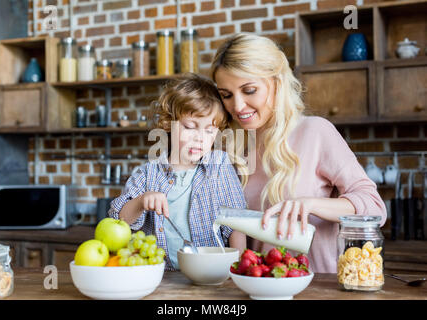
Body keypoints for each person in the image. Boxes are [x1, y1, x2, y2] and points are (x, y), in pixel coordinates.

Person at [210, 33, 387, 273]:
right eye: (226, 95)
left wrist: (312, 204)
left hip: (316, 288)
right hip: (253, 286)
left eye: (249, 90)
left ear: (277, 82)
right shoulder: (230, 147)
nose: (237, 106)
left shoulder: (315, 131)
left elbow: (375, 207)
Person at [108, 73, 247, 270]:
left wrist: (238, 269)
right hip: (163, 275)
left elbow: (237, 224)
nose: (200, 138)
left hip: (212, 274)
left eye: (209, 130)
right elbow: (117, 220)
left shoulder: (220, 165)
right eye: (190, 127)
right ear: (168, 124)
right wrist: (141, 201)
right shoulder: (149, 173)